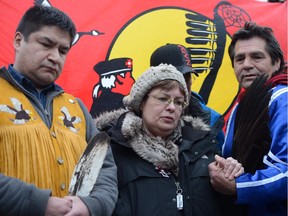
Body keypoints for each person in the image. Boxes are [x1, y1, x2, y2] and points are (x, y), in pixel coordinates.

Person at [0, 5, 117, 216]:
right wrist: (38, 203)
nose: (55, 57)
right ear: (18, 41)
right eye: (46, 44)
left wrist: (91, 206)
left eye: (63, 50)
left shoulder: (77, 108)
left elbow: (105, 170)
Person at [95, 64, 242, 216]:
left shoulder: (203, 146)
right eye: (163, 98)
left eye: (179, 102)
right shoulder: (112, 149)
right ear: (141, 103)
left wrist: (233, 183)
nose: (172, 107)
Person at [208, 22, 288, 216]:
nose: (247, 65)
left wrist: (239, 186)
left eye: (257, 57)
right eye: (239, 59)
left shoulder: (282, 98)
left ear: (277, 62)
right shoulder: (240, 106)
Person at [150, 43, 225, 149]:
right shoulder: (136, 122)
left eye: (187, 77)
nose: (184, 84)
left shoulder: (211, 120)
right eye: (176, 78)